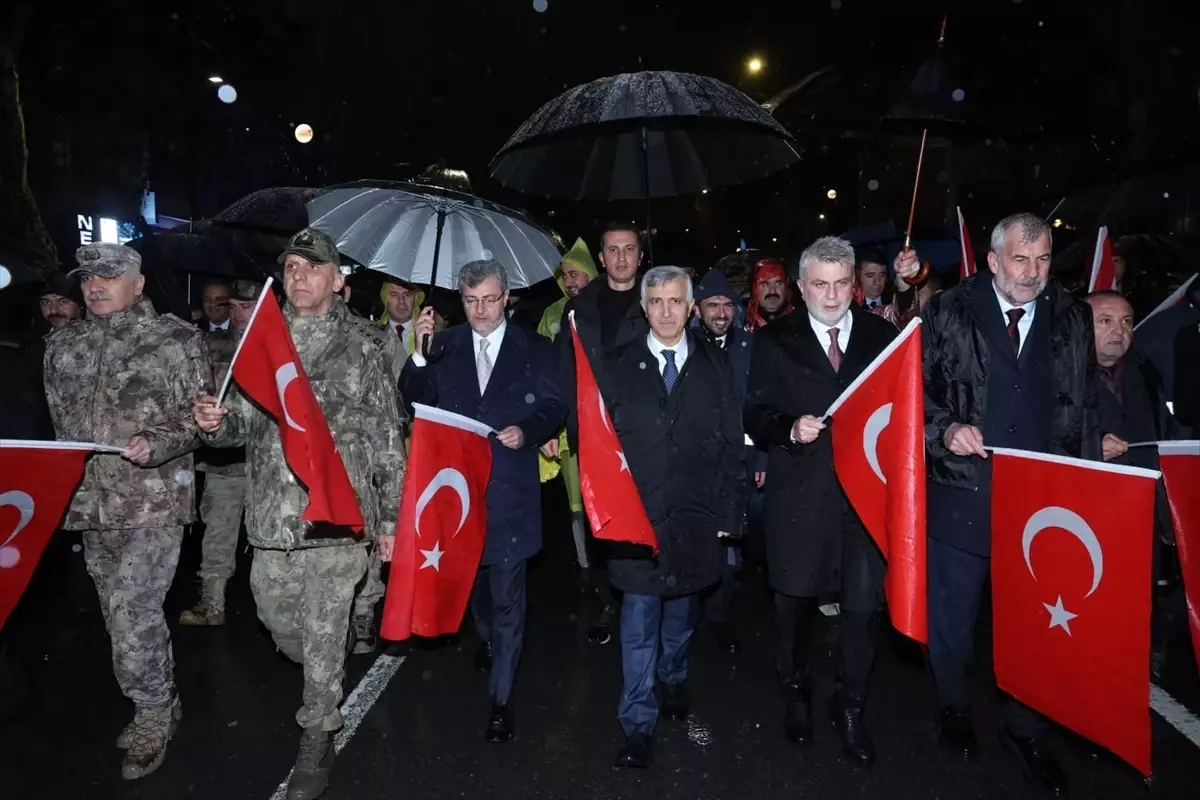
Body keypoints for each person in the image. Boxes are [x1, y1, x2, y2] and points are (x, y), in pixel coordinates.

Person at [193, 228, 405, 800]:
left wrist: (390, 523)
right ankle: (325, 663)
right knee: (279, 620)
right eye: (289, 267)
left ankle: (318, 731)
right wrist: (214, 424)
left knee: (324, 624)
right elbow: (236, 427)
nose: (298, 276)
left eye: (312, 268)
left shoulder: (364, 344)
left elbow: (389, 437)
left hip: (338, 517)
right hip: (272, 519)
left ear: (338, 280)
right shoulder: (261, 338)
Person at [919, 213, 1099, 796]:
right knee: (954, 617)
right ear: (993, 261)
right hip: (963, 489)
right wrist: (944, 430)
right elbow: (914, 393)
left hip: (1040, 500)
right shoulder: (948, 309)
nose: (1032, 272)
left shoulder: (1070, 315)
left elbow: (1083, 400)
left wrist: (1085, 482)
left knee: (1036, 620)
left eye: (1043, 259)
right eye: (1020, 259)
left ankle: (1025, 728)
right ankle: (952, 705)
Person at [745, 237, 914, 767]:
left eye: (843, 283)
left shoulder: (882, 336)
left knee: (863, 612)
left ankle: (851, 704)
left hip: (865, 499)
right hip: (799, 497)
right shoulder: (775, 341)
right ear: (801, 286)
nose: (833, 294)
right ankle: (796, 694)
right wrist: (789, 429)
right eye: (820, 284)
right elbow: (754, 414)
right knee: (792, 607)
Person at [44, 244, 211, 780]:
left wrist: (155, 442)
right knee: (118, 616)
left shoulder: (176, 341)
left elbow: (201, 421)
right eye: (88, 276)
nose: (95, 284)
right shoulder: (61, 348)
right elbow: (58, 428)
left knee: (133, 612)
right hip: (91, 504)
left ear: (138, 284)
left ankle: (153, 714)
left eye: (109, 275)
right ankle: (159, 692)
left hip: (153, 499)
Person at [397, 259, 564, 743]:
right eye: (471, 301)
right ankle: (486, 635)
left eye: (490, 299)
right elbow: (413, 401)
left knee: (509, 595)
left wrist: (528, 430)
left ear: (506, 295)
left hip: (510, 489)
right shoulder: (442, 346)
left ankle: (501, 699)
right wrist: (421, 356)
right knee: (477, 588)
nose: (482, 310)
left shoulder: (535, 348)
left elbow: (555, 405)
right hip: (460, 495)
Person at [604, 266, 746, 768]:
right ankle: (636, 723)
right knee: (639, 619)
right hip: (636, 519)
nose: (665, 312)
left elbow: (732, 442)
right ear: (643, 308)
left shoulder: (714, 366)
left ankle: (674, 675)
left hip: (695, 514)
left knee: (681, 615)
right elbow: (600, 447)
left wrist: (731, 509)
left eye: (675, 302)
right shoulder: (617, 365)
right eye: (656, 302)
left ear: (691, 308)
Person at [555, 221, 650, 644]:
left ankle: (641, 602)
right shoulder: (578, 309)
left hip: (645, 435)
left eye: (629, 249)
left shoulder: (658, 299)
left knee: (643, 521)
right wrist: (559, 427)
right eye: (613, 250)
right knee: (601, 524)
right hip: (595, 436)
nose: (622, 258)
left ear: (640, 255)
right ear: (601, 258)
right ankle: (608, 604)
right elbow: (564, 375)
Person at [180, 279, 262, 627]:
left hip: (267, 460)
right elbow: (195, 394)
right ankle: (213, 603)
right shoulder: (211, 345)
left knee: (269, 537)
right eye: (235, 307)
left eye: (248, 306)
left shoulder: (278, 347)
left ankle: (273, 608)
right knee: (218, 530)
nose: (241, 314)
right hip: (225, 459)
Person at [692, 268, 760, 654]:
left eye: (726, 305)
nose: (720, 312)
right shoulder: (685, 345)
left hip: (740, 462)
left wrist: (762, 456)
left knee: (731, 546)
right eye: (712, 305)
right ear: (698, 309)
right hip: (697, 463)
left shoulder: (750, 348)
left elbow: (762, 404)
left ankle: (718, 618)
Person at [536, 238, 599, 595]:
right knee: (576, 500)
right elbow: (545, 374)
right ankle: (586, 567)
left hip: (603, 425)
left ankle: (607, 562)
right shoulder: (552, 314)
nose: (571, 281)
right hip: (568, 425)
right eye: (566, 275)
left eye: (576, 274)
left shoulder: (609, 307)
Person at [745, 258, 795, 332]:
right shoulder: (740, 323)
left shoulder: (803, 323)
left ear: (786, 285)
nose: (772, 291)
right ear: (754, 287)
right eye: (764, 284)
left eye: (778, 283)